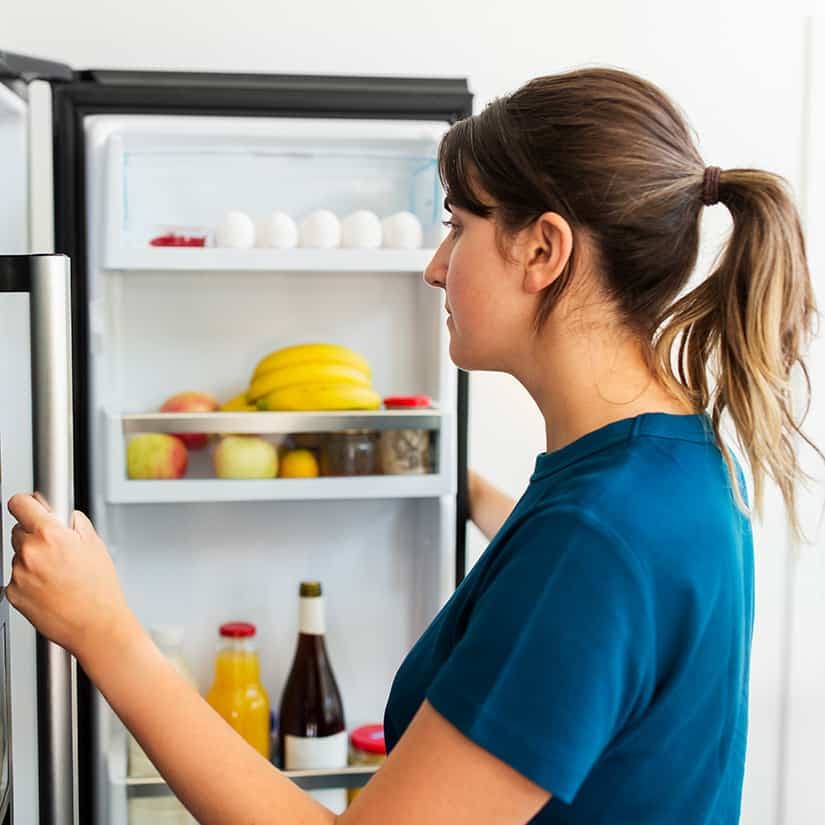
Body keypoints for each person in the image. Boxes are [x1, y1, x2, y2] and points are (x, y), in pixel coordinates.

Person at [7, 67, 819, 825]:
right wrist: (456, 487)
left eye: (456, 227)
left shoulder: (594, 538)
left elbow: (586, 576)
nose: (434, 268)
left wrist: (107, 635)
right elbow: (600, 625)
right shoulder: (672, 461)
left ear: (543, 249)